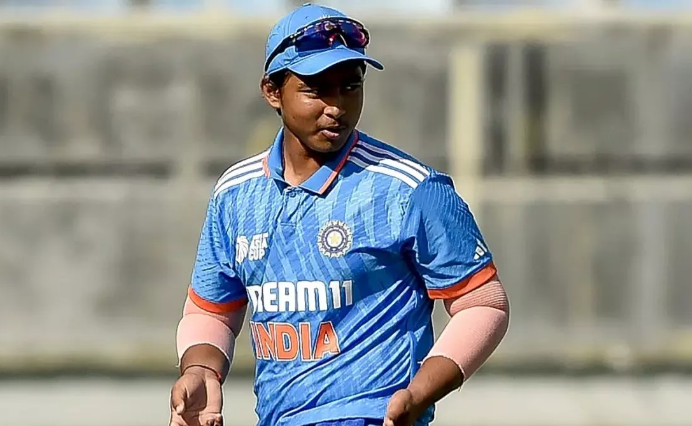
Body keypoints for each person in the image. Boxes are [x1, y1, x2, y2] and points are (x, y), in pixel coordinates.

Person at [169, 3, 510, 426]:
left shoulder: (411, 189)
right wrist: (200, 370)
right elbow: (211, 310)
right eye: (316, 90)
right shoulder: (235, 194)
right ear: (273, 92)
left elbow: (483, 304)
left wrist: (420, 391)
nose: (337, 106)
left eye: (350, 86)